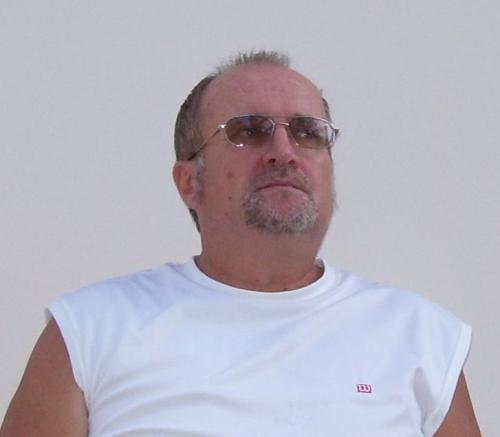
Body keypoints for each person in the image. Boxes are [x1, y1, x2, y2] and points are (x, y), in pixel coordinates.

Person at [1, 51, 481, 436]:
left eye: (308, 133)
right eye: (249, 131)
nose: (284, 152)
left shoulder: (420, 336)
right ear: (189, 182)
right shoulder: (90, 331)